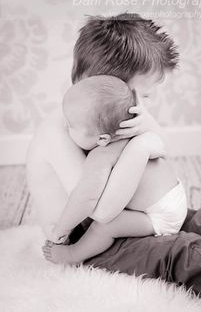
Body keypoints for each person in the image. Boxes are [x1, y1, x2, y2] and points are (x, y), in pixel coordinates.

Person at [26, 13, 201, 307]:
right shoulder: (59, 131)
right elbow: (96, 206)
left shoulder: (115, 115)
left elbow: (159, 150)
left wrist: (150, 133)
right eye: (134, 96)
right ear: (94, 85)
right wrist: (140, 150)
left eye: (146, 98)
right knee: (181, 251)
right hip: (89, 239)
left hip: (128, 216)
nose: (139, 109)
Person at [42, 75, 187, 265]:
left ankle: (72, 255)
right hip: (176, 195)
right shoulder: (136, 135)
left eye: (70, 126)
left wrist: (61, 229)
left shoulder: (100, 155)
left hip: (160, 217)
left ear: (102, 139)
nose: (66, 128)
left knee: (104, 227)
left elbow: (86, 197)